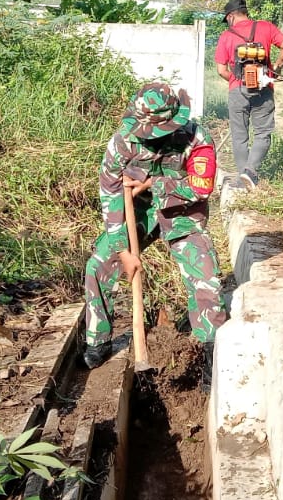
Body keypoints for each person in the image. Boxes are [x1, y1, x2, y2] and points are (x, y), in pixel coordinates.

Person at [82, 82, 225, 376]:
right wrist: (122, 249)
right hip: (141, 212)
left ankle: (212, 359)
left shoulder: (196, 138)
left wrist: (153, 185)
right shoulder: (123, 142)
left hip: (182, 213)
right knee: (97, 265)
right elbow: (110, 195)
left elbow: (201, 187)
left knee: (206, 280)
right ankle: (98, 342)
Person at [214, 0, 283, 189]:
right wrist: (275, 68)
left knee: (239, 135)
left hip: (238, 90)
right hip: (263, 87)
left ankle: (243, 177)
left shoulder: (226, 35)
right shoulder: (266, 27)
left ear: (231, 16)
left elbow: (221, 70)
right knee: (263, 133)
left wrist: (236, 81)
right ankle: (251, 171)